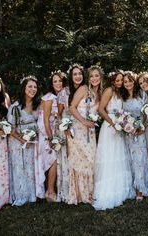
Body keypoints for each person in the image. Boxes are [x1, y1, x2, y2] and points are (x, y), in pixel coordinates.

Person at [93, 70, 133, 210]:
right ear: (112, 81)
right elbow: (101, 109)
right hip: (110, 128)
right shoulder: (109, 90)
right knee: (110, 156)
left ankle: (121, 188)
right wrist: (113, 123)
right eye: (117, 80)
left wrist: (121, 124)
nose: (120, 82)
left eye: (121, 80)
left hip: (119, 127)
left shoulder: (120, 93)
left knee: (118, 155)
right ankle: (108, 190)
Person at [68, 65, 102, 205]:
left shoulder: (100, 93)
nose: (94, 79)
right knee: (80, 160)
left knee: (91, 159)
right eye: (91, 76)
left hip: (91, 132)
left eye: (97, 76)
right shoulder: (83, 89)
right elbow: (71, 107)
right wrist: (84, 121)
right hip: (78, 129)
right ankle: (80, 195)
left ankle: (89, 192)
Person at [7, 75, 40, 206]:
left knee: (31, 167)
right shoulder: (15, 107)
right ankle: (21, 194)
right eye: (30, 86)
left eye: (35, 87)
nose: (33, 89)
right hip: (18, 142)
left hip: (33, 141)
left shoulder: (38, 105)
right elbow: (11, 129)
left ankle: (32, 194)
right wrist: (23, 140)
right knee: (20, 167)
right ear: (23, 88)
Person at [56, 64, 85, 203]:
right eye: (75, 74)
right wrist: (65, 127)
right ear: (71, 76)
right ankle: (70, 191)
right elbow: (60, 114)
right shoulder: (64, 92)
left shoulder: (87, 90)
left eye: (80, 73)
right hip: (69, 129)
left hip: (84, 129)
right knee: (70, 159)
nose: (78, 76)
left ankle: (83, 190)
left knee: (83, 158)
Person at [122, 71, 148, 201]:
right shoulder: (122, 98)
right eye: (125, 81)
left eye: (130, 81)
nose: (128, 83)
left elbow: (147, 114)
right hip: (127, 134)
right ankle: (132, 188)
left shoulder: (142, 95)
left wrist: (142, 127)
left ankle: (140, 189)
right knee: (130, 161)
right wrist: (125, 126)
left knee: (140, 160)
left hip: (140, 132)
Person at [36, 71, 65, 202]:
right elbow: (45, 119)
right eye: (55, 81)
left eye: (60, 81)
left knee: (54, 160)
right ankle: (50, 192)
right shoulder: (48, 97)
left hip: (55, 131)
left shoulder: (61, 96)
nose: (58, 83)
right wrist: (50, 137)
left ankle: (52, 188)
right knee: (52, 160)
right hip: (46, 132)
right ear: (51, 84)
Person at [0, 73, 10, 211]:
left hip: (3, 141)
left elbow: (9, 118)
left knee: (2, 169)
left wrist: (6, 128)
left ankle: (4, 198)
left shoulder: (5, 99)